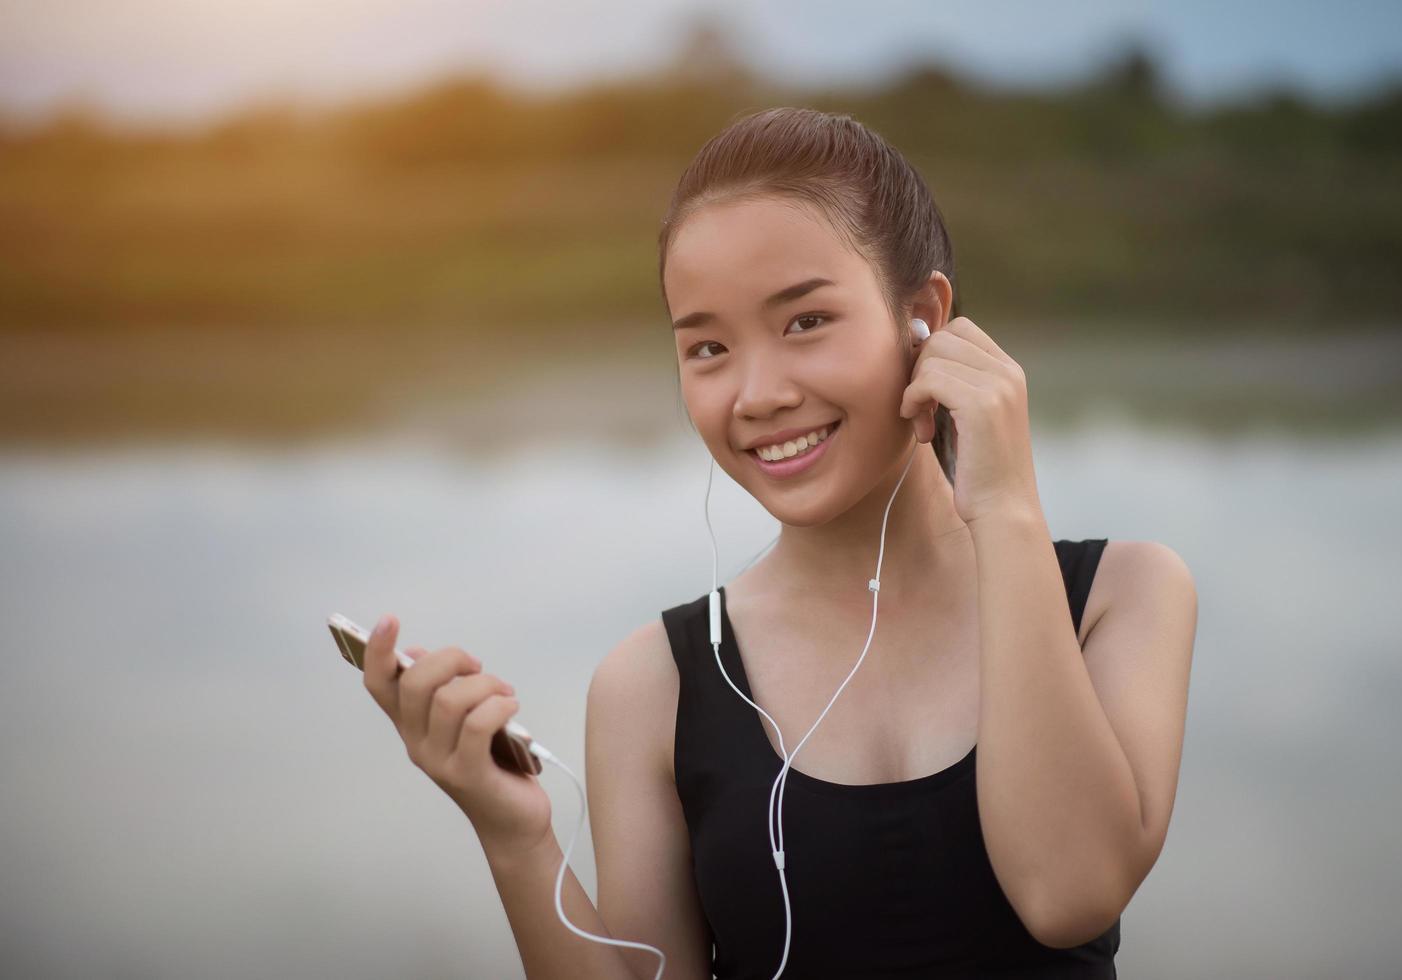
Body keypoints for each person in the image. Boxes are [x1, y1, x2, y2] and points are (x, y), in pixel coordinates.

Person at [362, 107, 1198, 979]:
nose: (756, 394)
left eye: (804, 323)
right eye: (709, 346)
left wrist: (1006, 510)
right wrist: (516, 839)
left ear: (923, 317)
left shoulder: (1120, 596)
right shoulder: (654, 685)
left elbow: (1069, 893)